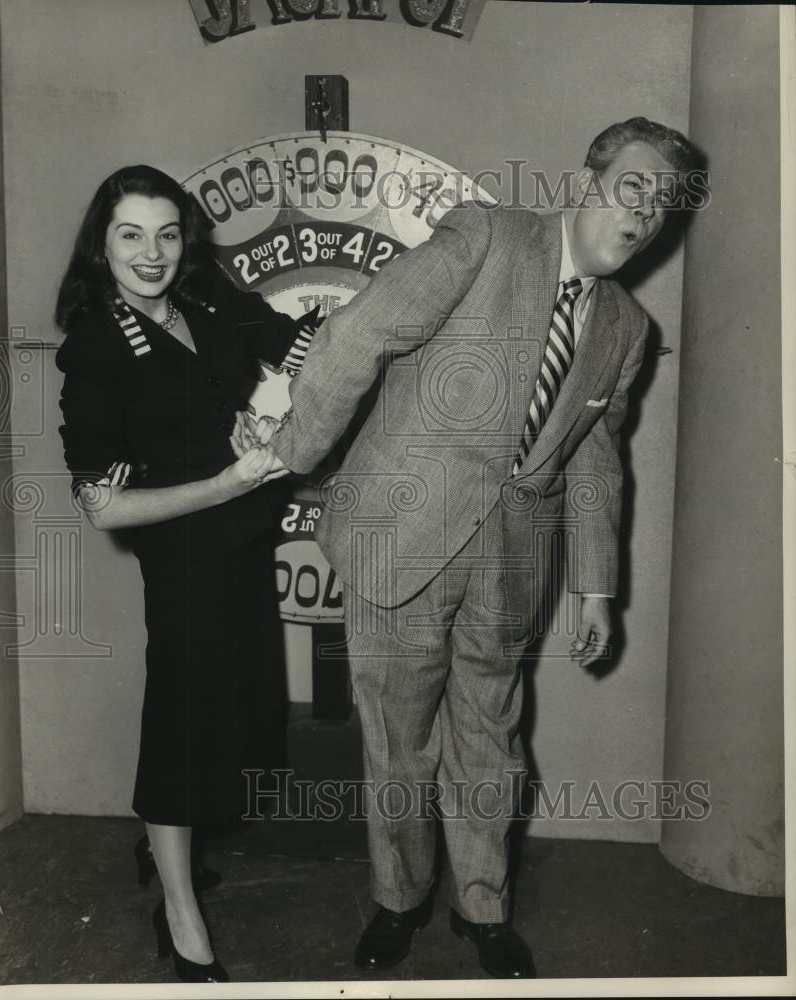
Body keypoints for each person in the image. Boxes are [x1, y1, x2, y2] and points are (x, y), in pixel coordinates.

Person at [243, 118, 698, 978]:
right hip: (403, 530)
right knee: (397, 736)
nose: (645, 216)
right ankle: (397, 899)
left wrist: (598, 587)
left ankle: (481, 906)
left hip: (514, 559)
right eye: (633, 188)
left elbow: (596, 460)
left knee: (492, 734)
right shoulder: (489, 236)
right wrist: (290, 452)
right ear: (588, 179)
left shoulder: (627, 330)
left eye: (665, 205)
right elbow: (358, 331)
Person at [54, 165, 316, 983]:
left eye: (168, 233)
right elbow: (103, 507)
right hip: (184, 561)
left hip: (244, 544)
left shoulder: (207, 302)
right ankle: (179, 910)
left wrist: (270, 406)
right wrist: (225, 480)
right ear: (101, 246)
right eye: (131, 234)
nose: (153, 252)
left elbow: (301, 348)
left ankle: (161, 849)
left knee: (233, 716)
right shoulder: (95, 348)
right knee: (182, 724)